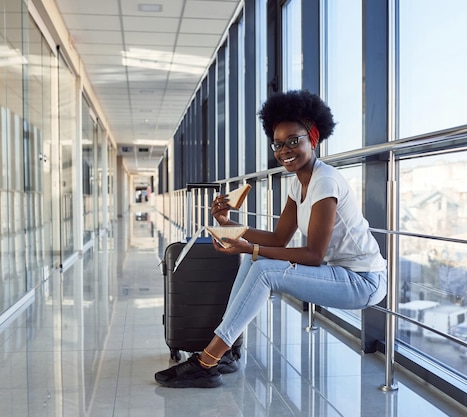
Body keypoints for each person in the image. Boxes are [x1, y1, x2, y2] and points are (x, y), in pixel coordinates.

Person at [155, 90, 387, 388]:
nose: (285, 150)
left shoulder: (325, 181)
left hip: (363, 281)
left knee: (263, 268)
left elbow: (314, 255)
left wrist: (248, 247)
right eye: (278, 144)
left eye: (294, 141)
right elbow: (279, 238)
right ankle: (229, 348)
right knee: (261, 259)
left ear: (312, 138)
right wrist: (229, 226)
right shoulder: (298, 182)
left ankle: (207, 362)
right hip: (338, 273)